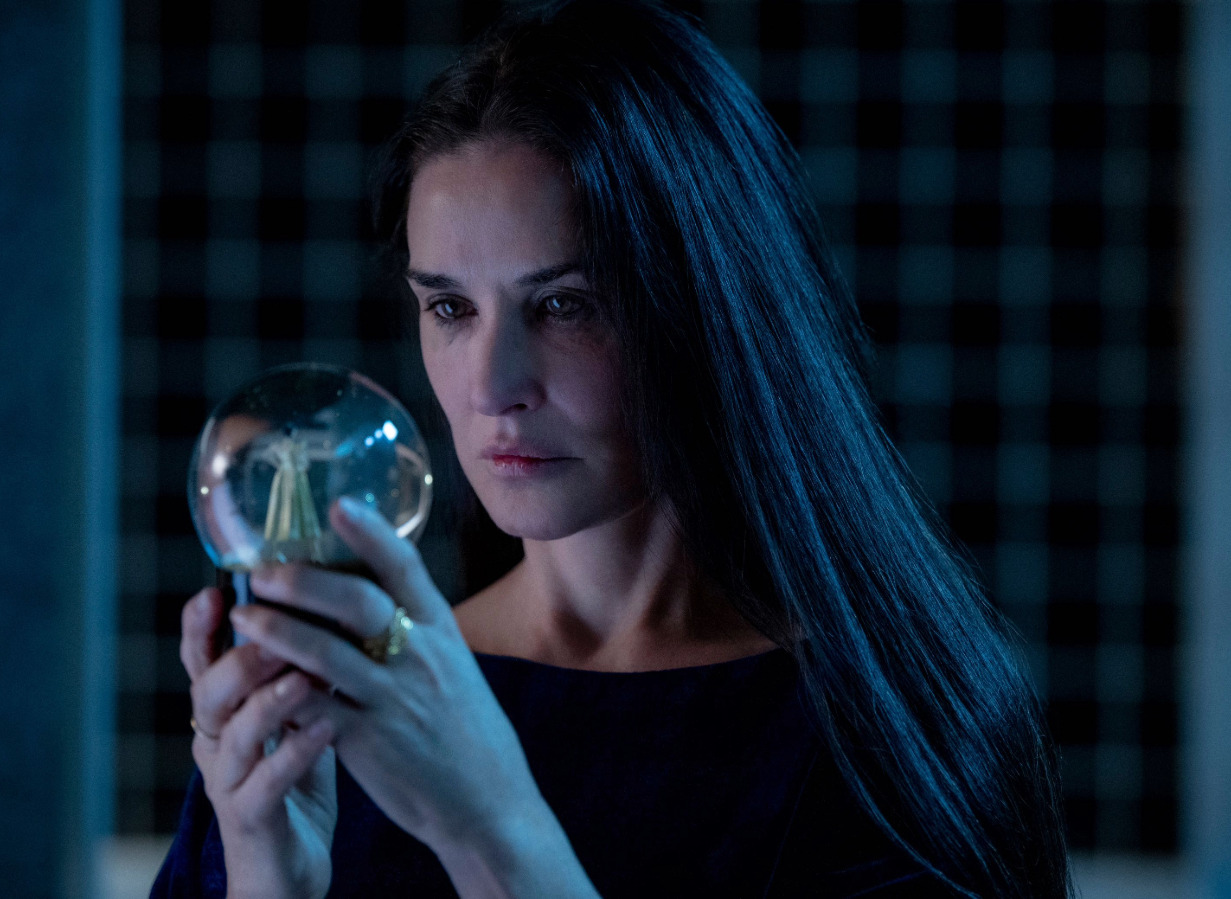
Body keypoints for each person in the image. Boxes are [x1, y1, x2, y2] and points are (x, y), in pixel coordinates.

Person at [152, 1, 1073, 896]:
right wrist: (266, 875)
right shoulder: (349, 691)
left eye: (564, 304)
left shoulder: (891, 731)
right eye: (450, 307)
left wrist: (490, 830)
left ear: (704, 308)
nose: (491, 385)